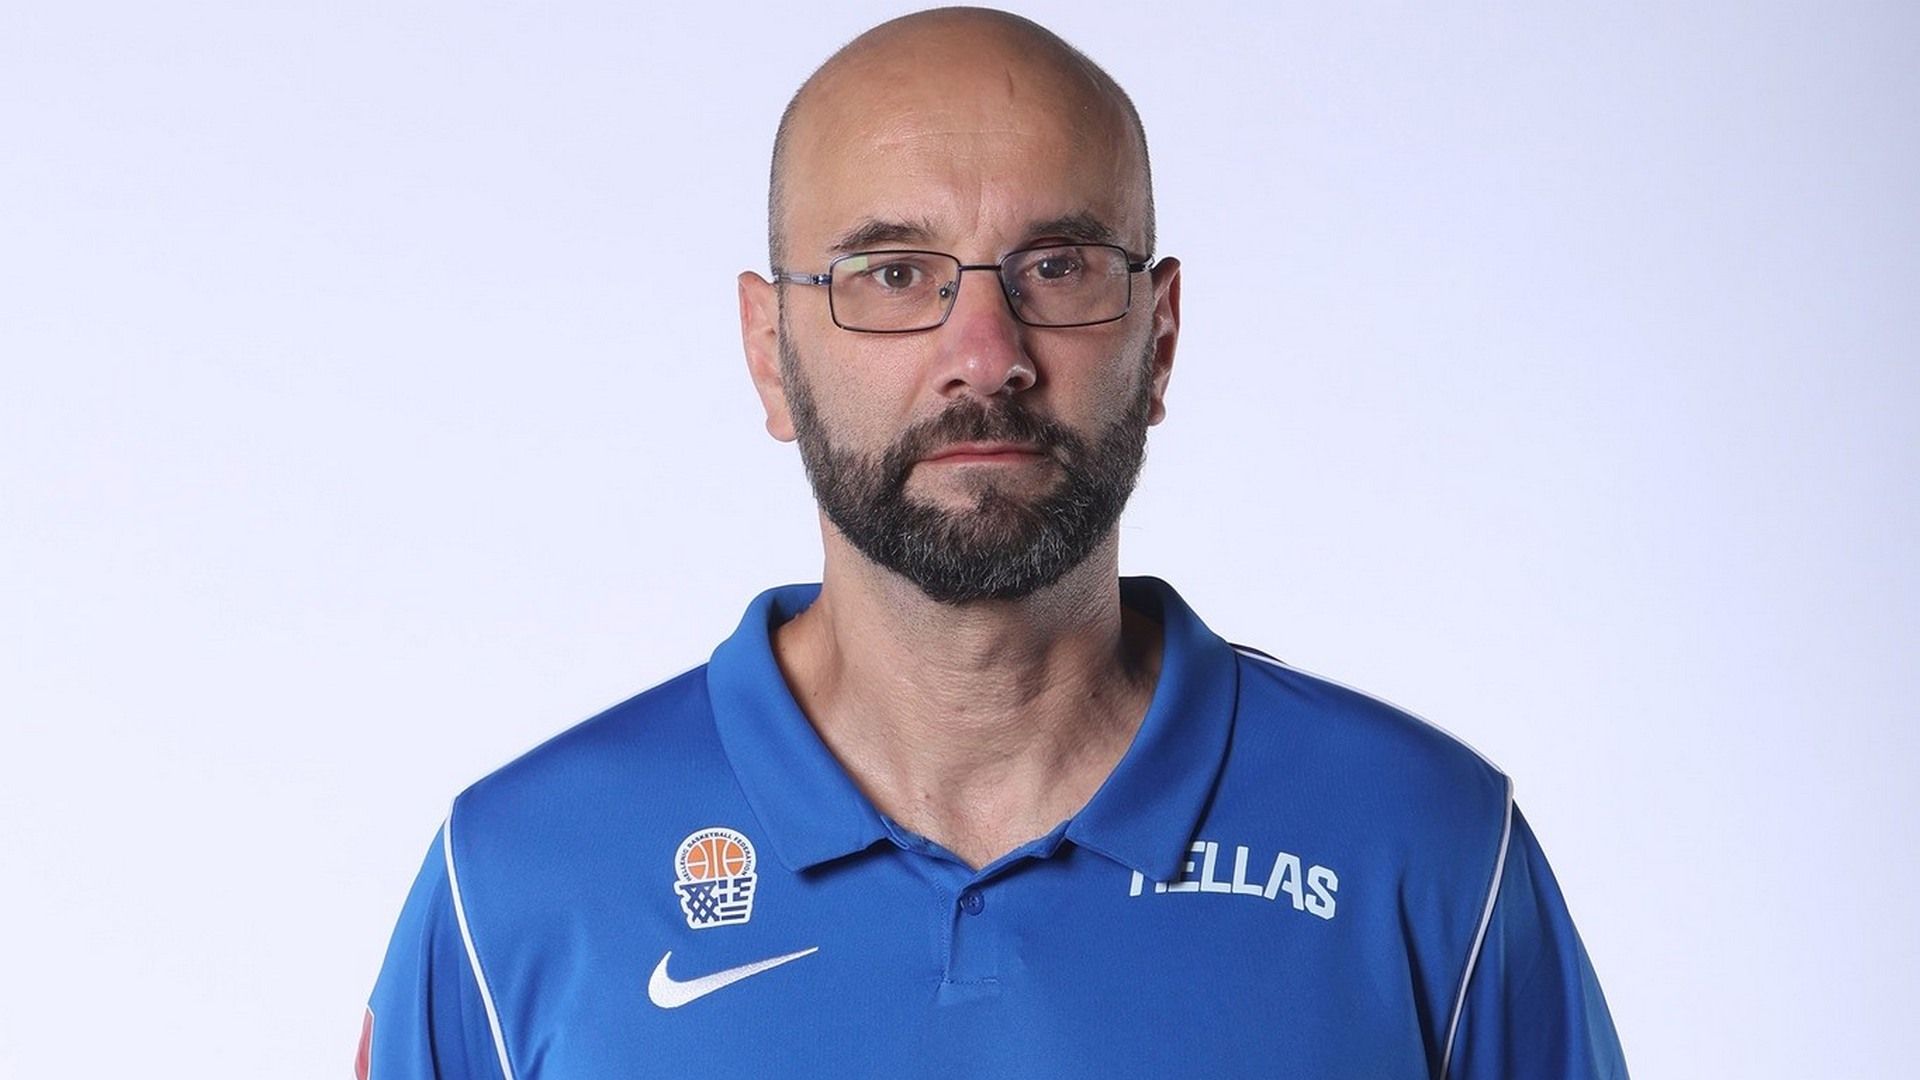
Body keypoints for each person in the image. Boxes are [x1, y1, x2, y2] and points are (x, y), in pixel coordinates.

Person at [360, 7, 1628, 1078]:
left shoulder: (1426, 847)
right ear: (770, 353)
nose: (985, 356)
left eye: (1057, 266)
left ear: (1160, 337)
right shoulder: (514, 885)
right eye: (893, 274)